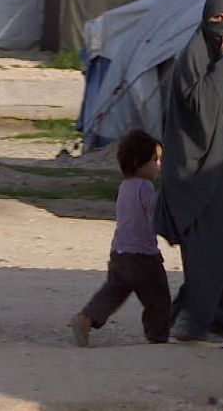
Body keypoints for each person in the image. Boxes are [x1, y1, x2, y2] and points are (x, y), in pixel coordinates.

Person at [154, 0, 223, 343]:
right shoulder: (194, 58)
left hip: (222, 170)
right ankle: (191, 324)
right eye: (218, 19)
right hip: (196, 171)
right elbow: (200, 110)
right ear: (205, 20)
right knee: (209, 251)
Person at [71, 130, 169, 347]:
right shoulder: (145, 187)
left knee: (113, 292)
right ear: (138, 162)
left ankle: (86, 318)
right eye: (155, 160)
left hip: (119, 255)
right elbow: (156, 216)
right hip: (144, 258)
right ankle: (159, 337)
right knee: (158, 299)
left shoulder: (124, 187)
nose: (159, 165)